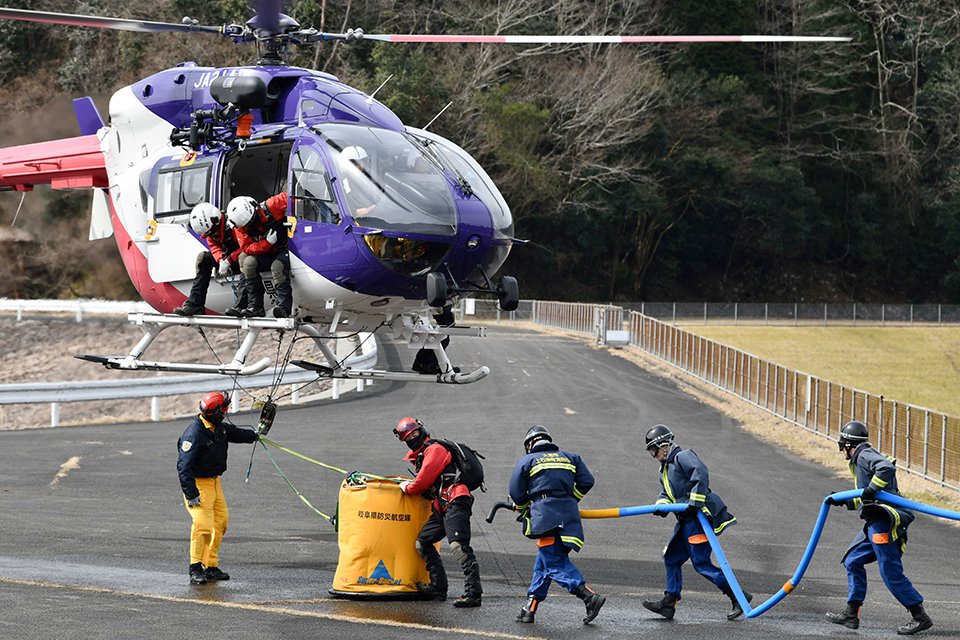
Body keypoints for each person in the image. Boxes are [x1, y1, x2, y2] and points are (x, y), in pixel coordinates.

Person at [824, 420, 933, 635]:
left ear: (848, 444)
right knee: (852, 560)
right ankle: (851, 614)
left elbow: (886, 469)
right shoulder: (861, 460)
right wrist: (844, 501)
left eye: (842, 445)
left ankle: (920, 616)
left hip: (884, 523)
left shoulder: (864, 455)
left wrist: (871, 489)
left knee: (890, 571)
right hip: (874, 522)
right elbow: (866, 497)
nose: (841, 449)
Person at [641, 424, 752, 621]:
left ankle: (738, 596)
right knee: (671, 558)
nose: (653, 455)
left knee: (700, 563)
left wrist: (695, 501)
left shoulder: (682, 456)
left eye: (654, 450)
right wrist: (662, 505)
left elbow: (700, 473)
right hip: (685, 520)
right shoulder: (665, 469)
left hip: (699, 517)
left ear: (664, 445)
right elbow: (666, 493)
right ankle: (669, 603)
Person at [508, 424, 605, 625]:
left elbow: (516, 493)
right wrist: (571, 499)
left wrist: (524, 507)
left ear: (529, 444)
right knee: (543, 565)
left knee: (553, 563)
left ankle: (589, 596)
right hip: (568, 518)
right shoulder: (571, 458)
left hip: (546, 517)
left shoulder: (527, 460)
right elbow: (587, 481)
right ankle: (530, 609)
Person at [394, 417, 482, 607]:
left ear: (422, 430)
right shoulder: (423, 455)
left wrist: (406, 488)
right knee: (423, 542)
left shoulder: (435, 449)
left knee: (459, 545)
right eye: (409, 437)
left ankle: (474, 594)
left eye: (415, 433)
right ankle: (438, 587)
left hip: (456, 500)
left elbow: (422, 483)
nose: (413, 438)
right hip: (441, 505)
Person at [176, 391, 258, 585]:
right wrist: (191, 493)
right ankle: (195, 566)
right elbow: (183, 466)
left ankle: (210, 565)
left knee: (220, 523)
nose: (225, 413)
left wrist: (255, 435)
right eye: (223, 410)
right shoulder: (194, 434)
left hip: (214, 482)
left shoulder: (217, 427)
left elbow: (235, 433)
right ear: (216, 413)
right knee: (202, 525)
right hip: (199, 484)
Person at [174, 202, 247, 317]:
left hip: (244, 256)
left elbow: (246, 246)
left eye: (211, 233)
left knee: (245, 259)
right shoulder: (210, 232)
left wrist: (229, 260)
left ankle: (241, 306)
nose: (211, 236)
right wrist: (220, 260)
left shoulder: (234, 224)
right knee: (203, 258)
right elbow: (213, 246)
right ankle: (195, 305)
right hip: (229, 260)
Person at [226, 192, 293, 318]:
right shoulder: (240, 227)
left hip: (286, 247)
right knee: (248, 263)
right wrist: (266, 243)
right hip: (267, 250)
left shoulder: (272, 205)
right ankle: (255, 307)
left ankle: (284, 308)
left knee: (277, 267)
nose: (252, 225)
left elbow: (293, 197)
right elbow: (246, 248)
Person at [340, 145, 380, 218]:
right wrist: (354, 211)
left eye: (363, 162)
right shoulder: (339, 182)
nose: (361, 166)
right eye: (355, 163)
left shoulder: (370, 179)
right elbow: (336, 206)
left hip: (375, 216)